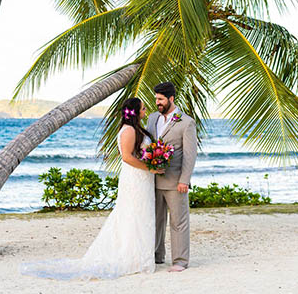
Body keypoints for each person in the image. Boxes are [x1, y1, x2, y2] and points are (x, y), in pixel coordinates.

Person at [19, 98, 163, 280]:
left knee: (142, 215)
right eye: (142, 109)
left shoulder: (137, 130)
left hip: (143, 180)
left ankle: (140, 256)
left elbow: (140, 153)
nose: (145, 111)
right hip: (135, 179)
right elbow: (127, 157)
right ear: (135, 112)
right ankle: (132, 258)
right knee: (132, 215)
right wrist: (150, 167)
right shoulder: (128, 131)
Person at [146, 82, 198, 272]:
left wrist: (184, 179)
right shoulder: (152, 119)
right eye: (156, 99)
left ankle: (180, 261)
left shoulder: (186, 122)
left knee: (178, 222)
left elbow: (190, 154)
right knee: (156, 221)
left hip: (176, 182)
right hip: (153, 181)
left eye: (160, 99)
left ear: (171, 98)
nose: (157, 103)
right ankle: (157, 256)